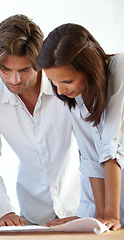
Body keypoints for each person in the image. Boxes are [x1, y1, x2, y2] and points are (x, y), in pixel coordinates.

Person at [0, 14, 81, 227]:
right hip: (32, 216)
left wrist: (90, 208)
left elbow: (94, 148)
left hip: (82, 209)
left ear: (38, 62)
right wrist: (3, 211)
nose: (14, 80)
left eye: (24, 70)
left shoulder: (66, 83)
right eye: (5, 70)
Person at [37, 23, 123, 230]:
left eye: (67, 81)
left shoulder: (120, 67)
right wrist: (99, 218)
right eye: (53, 82)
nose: (59, 90)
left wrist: (111, 215)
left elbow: (113, 145)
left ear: (89, 68)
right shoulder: (74, 94)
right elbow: (90, 157)